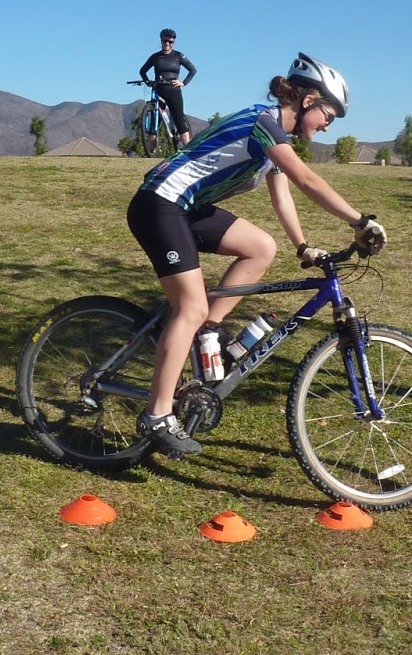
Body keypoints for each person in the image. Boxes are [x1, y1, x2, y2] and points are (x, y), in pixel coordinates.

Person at [125, 53, 387, 456]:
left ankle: (207, 331)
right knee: (189, 307)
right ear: (307, 101)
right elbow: (306, 178)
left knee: (261, 247)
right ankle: (158, 414)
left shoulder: (274, 142)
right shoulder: (262, 122)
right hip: (160, 204)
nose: (327, 126)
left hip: (185, 209)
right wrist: (359, 221)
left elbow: (284, 195)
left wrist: (302, 247)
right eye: (327, 115)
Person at [138, 27, 197, 149]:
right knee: (155, 120)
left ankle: (188, 149)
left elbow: (192, 70)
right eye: (165, 41)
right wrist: (148, 82)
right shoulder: (155, 57)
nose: (167, 44)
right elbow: (142, 71)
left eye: (170, 42)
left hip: (174, 90)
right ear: (161, 41)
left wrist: (183, 83)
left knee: (179, 119)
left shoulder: (178, 56)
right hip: (159, 89)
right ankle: (150, 151)